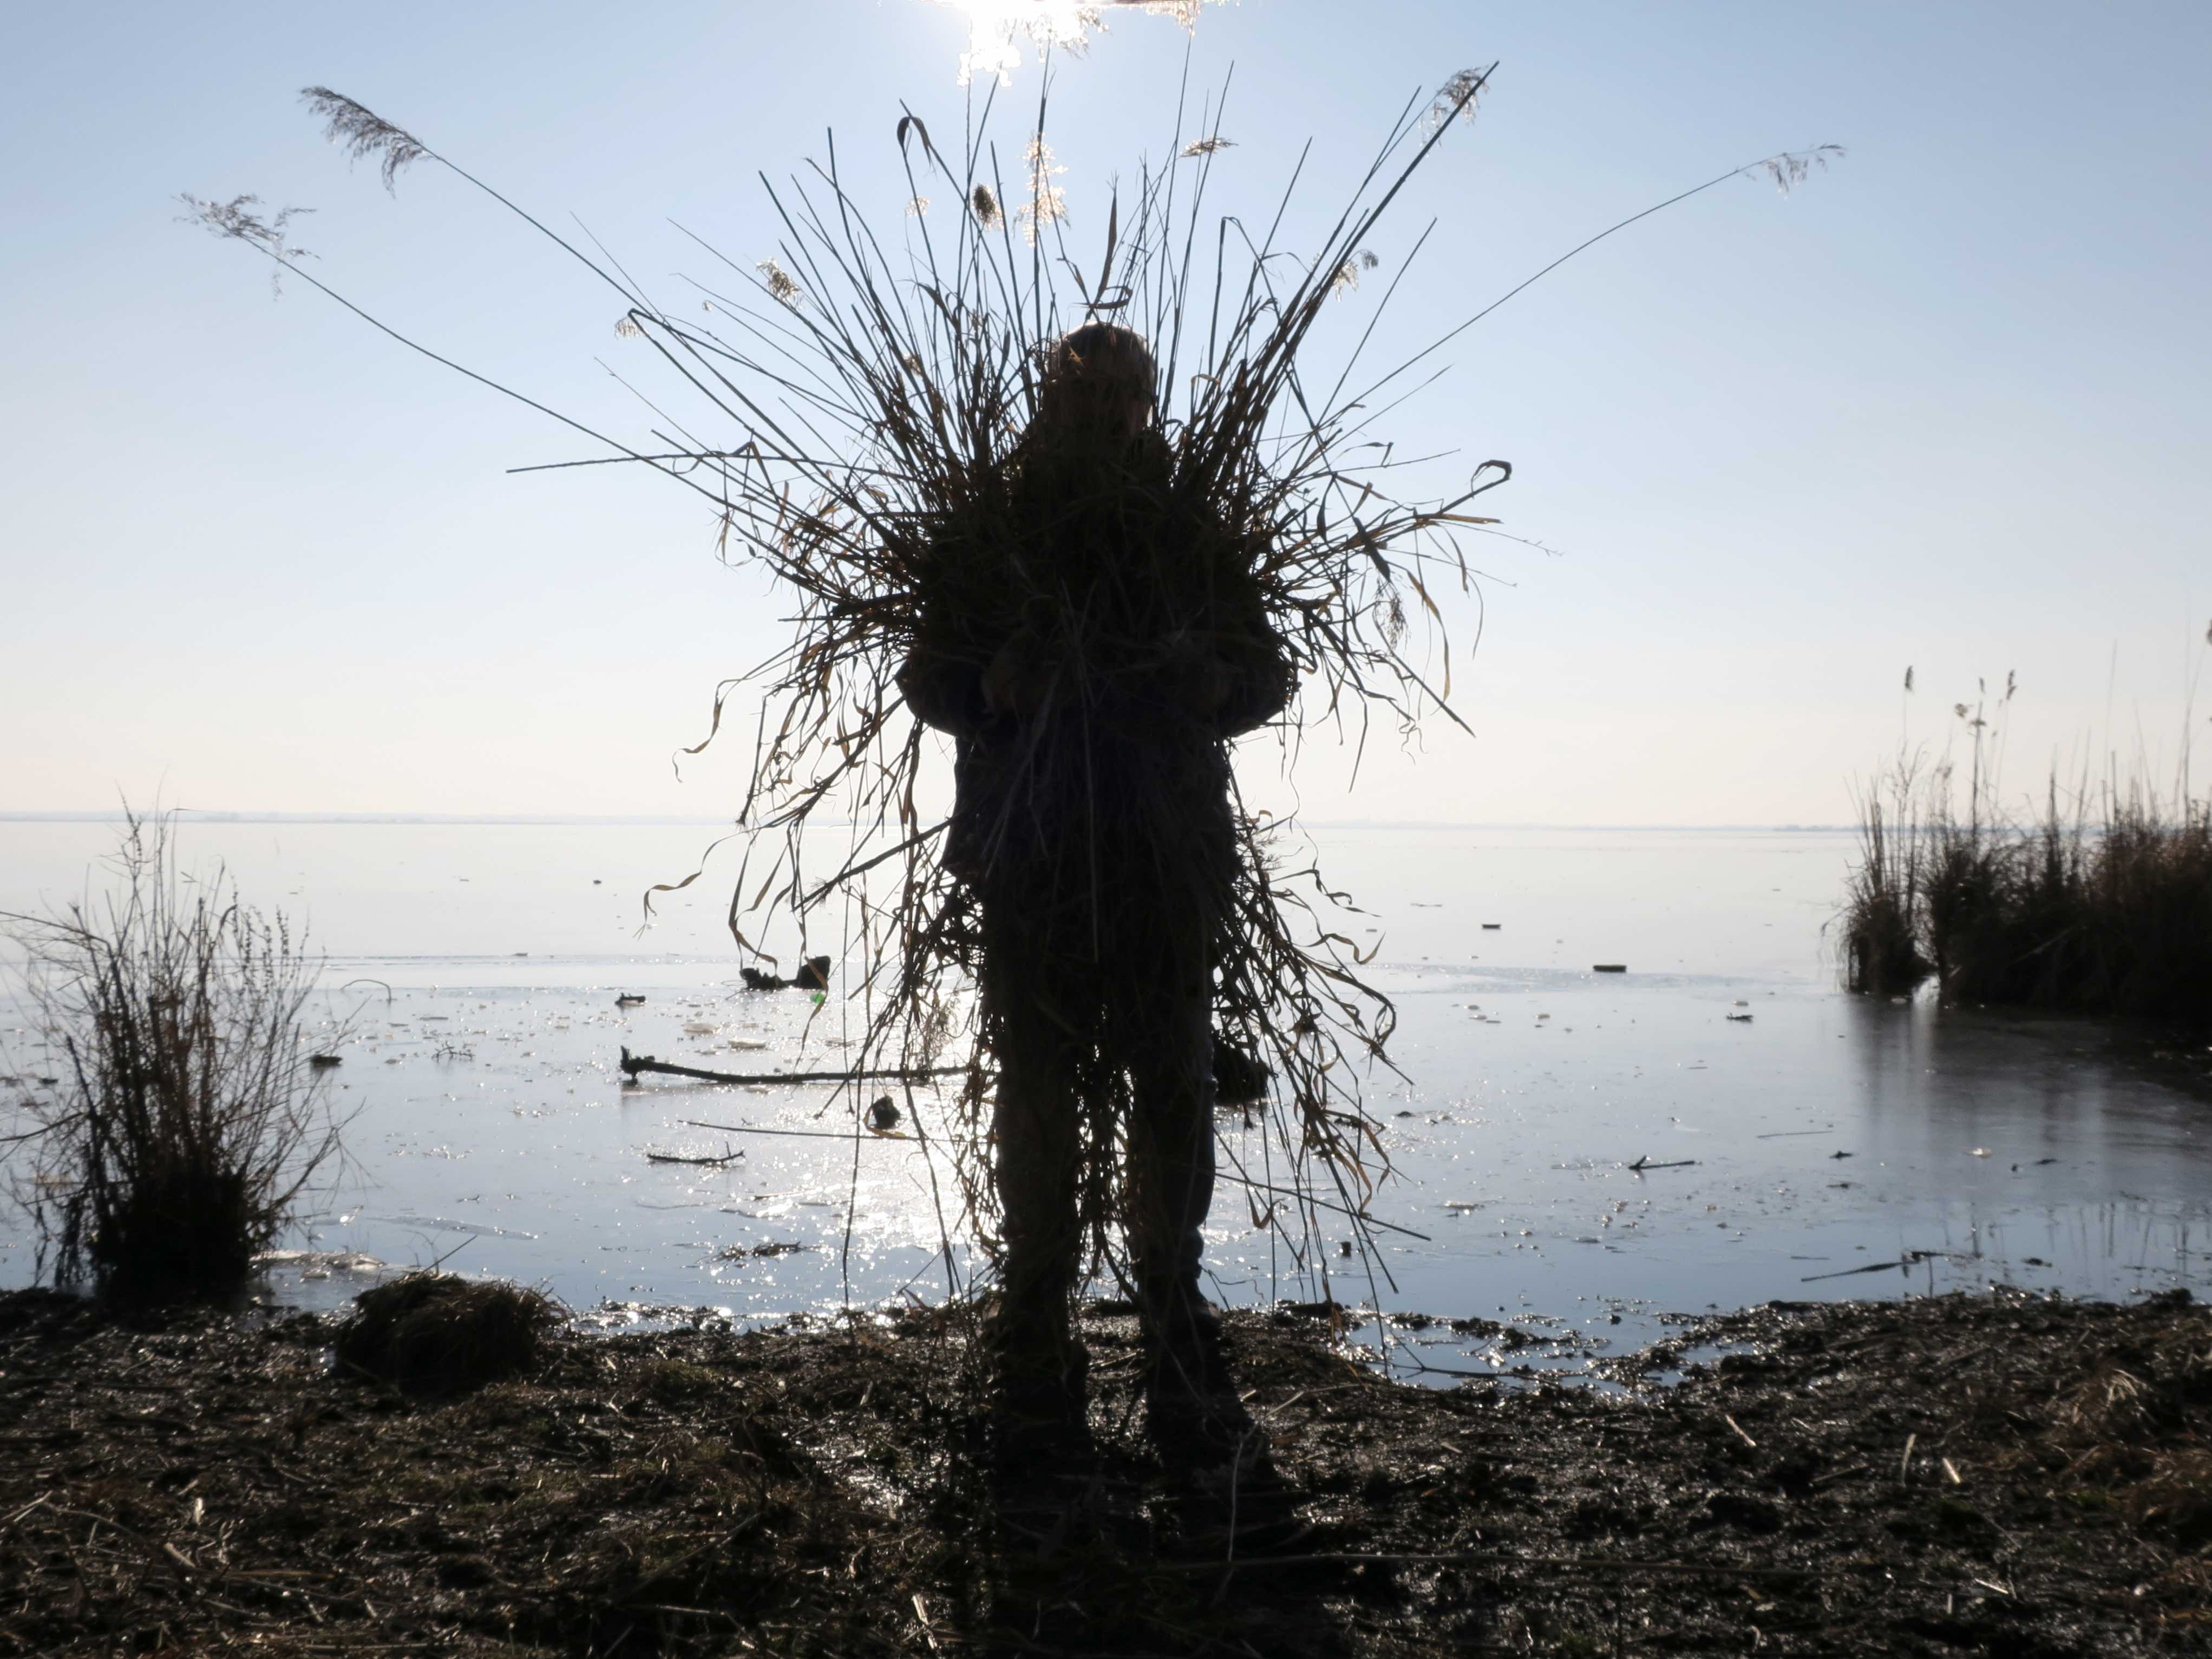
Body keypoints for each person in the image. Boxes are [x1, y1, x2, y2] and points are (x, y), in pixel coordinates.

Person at [899, 322, 1291, 1466]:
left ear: (1145, 407)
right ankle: (1034, 1327)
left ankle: (1174, 1320)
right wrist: (992, 686)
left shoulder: (1188, 527)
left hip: (1166, 855)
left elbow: (1266, 673)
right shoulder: (993, 528)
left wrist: (1214, 682)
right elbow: (927, 676)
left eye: (1122, 394)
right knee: (1037, 1082)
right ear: (1049, 401)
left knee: (1172, 1081)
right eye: (1082, 393)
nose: (1102, 412)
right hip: (1032, 854)